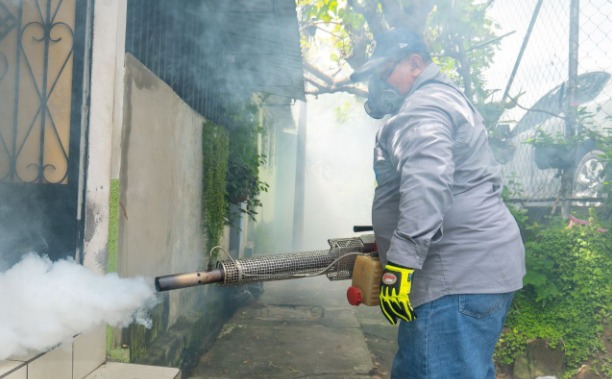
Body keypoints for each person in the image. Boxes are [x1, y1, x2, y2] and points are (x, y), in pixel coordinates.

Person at [350, 27, 526, 379]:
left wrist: (400, 263)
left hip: (453, 282)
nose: (376, 86)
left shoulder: (422, 106)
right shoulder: (447, 97)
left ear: (415, 63)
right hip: (473, 276)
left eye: (384, 72)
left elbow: (428, 180)